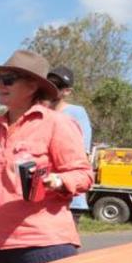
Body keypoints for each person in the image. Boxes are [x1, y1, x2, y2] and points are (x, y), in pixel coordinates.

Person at [0, 50, 93, 263]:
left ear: (32, 86)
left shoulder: (57, 124)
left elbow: (83, 174)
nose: (0, 85)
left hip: (44, 242)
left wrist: (59, 180)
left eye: (8, 79)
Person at [46, 66, 93, 222]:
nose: (52, 88)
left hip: (70, 198)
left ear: (67, 91)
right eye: (49, 83)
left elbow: (82, 154)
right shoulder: (37, 112)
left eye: (57, 85)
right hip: (41, 198)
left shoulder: (76, 113)